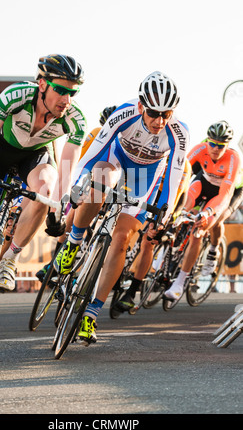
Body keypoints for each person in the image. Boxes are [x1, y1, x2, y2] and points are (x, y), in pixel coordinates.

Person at [54, 71, 190, 344]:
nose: (159, 121)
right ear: (141, 106)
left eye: (166, 114)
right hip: (115, 161)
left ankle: (91, 314)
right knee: (99, 182)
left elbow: (174, 177)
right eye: (153, 113)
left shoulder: (179, 132)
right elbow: (95, 150)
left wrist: (161, 212)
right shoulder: (124, 113)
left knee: (121, 241)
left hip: (144, 179)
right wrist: (79, 184)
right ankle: (73, 242)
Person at [0, 54, 87, 298]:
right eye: (60, 90)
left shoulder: (75, 120)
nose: (66, 99)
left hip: (34, 158)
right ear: (42, 84)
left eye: (72, 93)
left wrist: (58, 211)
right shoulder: (17, 95)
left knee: (46, 192)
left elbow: (66, 172)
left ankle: (10, 259)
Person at [35, 105, 117, 282]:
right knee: (74, 212)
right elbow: (81, 162)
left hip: (114, 183)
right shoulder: (96, 134)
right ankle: (54, 263)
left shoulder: (127, 144)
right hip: (93, 178)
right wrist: (76, 186)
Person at [164, 121, 241, 301]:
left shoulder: (233, 159)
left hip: (229, 191)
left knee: (203, 228)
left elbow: (224, 196)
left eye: (220, 145)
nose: (215, 148)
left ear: (227, 146)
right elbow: (180, 173)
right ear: (207, 141)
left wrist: (207, 213)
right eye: (212, 143)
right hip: (205, 182)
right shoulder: (200, 149)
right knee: (184, 206)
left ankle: (184, 279)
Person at [115, 157, 192, 312]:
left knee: (148, 242)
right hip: (146, 190)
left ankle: (131, 292)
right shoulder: (152, 153)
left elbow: (177, 196)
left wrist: (162, 222)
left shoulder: (182, 164)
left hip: (168, 201)